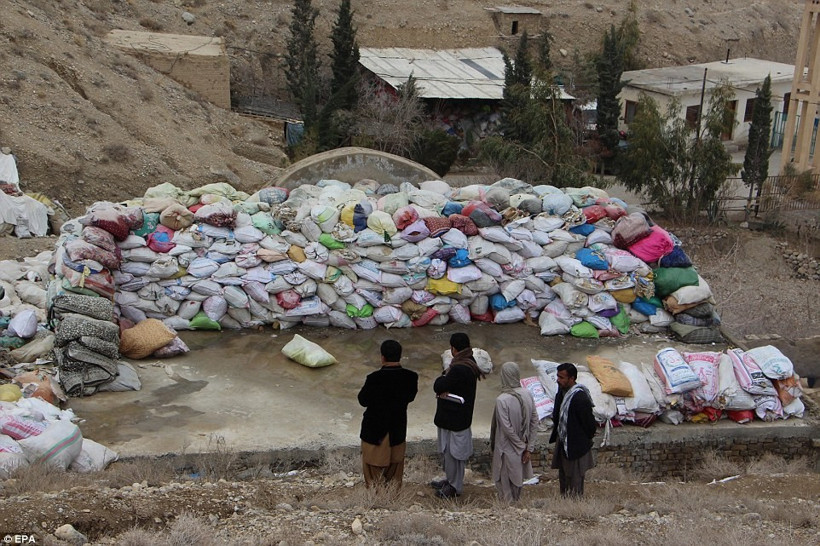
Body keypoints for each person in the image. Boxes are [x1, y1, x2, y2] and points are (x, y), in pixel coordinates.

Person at [357, 339, 418, 488]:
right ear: (400, 356)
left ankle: (376, 496)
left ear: (382, 357)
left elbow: (363, 400)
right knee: (395, 467)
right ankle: (393, 496)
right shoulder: (411, 377)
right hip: (397, 428)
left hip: (375, 430)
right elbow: (410, 397)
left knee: (372, 467)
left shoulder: (374, 379)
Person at [431, 332, 485, 499]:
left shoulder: (459, 368)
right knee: (451, 453)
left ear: (453, 349)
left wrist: (443, 383)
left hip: (454, 418)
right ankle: (450, 481)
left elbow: (439, 385)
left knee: (453, 454)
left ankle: (454, 487)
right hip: (457, 417)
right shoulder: (468, 362)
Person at [490, 361, 539, 503]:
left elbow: (507, 429)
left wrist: (521, 447)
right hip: (522, 447)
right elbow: (534, 421)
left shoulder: (502, 400)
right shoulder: (527, 394)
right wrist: (528, 447)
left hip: (506, 449)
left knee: (504, 483)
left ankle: (509, 512)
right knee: (518, 481)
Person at [549, 362, 597, 497]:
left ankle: (575, 508)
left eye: (562, 377)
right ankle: (565, 503)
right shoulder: (561, 394)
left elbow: (589, 425)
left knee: (575, 479)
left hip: (576, 446)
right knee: (564, 477)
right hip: (564, 442)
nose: (558, 380)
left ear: (572, 378)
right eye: (558, 377)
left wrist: (581, 440)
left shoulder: (580, 397)